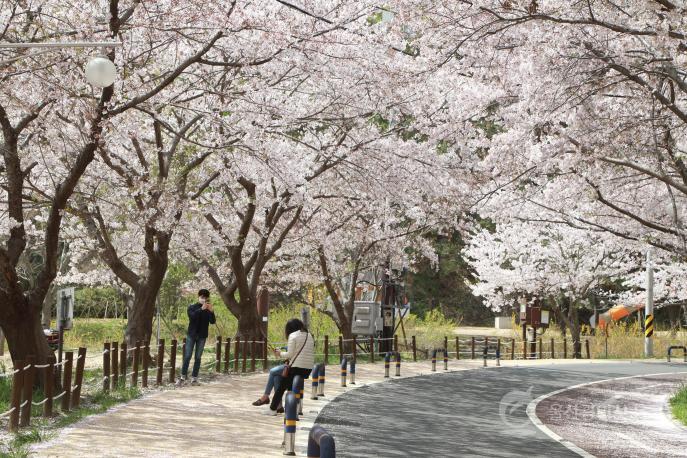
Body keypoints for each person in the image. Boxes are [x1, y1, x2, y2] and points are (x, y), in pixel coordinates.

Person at [263, 318, 314, 416]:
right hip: (308, 369)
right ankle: (291, 408)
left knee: (281, 387)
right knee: (283, 381)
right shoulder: (309, 335)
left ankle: (273, 409)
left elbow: (290, 354)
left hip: (296, 368)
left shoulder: (293, 335)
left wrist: (279, 354)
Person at [179, 289, 216, 386]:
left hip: (202, 336)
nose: (203, 299)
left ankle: (194, 379)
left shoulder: (208, 309)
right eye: (202, 297)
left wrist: (212, 312)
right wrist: (201, 309)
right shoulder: (192, 307)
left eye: (205, 297)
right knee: (187, 356)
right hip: (191, 335)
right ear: (198, 297)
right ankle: (183, 377)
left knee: (198, 357)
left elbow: (212, 322)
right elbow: (192, 317)